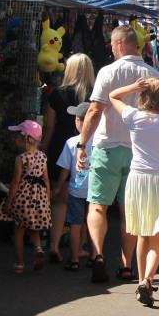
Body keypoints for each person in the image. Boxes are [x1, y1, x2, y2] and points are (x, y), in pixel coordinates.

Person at [77, 25, 159, 284]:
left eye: (113, 46)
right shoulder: (153, 73)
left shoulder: (108, 71)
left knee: (98, 205)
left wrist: (82, 144)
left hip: (107, 145)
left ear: (120, 45)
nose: (112, 50)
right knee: (129, 211)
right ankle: (126, 265)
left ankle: (98, 254)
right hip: (138, 151)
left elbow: (94, 110)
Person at [109, 77, 159, 307]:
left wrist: (132, 87)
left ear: (143, 96)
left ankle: (141, 281)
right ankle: (148, 279)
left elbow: (112, 96)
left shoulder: (134, 117)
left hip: (138, 178)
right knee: (157, 237)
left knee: (141, 234)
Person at [41, 53, 95, 263]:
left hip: (60, 147)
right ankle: (82, 248)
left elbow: (50, 126)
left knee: (60, 196)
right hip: (87, 149)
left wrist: (44, 149)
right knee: (85, 199)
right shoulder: (94, 94)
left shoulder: (57, 94)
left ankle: (54, 245)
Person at [0, 121, 52, 273]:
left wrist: (9, 202)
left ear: (25, 139)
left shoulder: (21, 158)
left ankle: (19, 264)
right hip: (39, 198)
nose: (15, 140)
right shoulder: (43, 157)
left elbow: (15, 182)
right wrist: (47, 199)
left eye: (16, 137)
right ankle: (38, 248)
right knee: (33, 228)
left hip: (23, 198)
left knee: (19, 231)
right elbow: (46, 179)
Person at [54, 102, 95, 271]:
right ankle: (94, 256)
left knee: (75, 226)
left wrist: (58, 186)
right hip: (95, 191)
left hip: (75, 190)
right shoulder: (101, 142)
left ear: (78, 121)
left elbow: (65, 168)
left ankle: (75, 259)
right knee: (94, 224)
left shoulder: (72, 142)